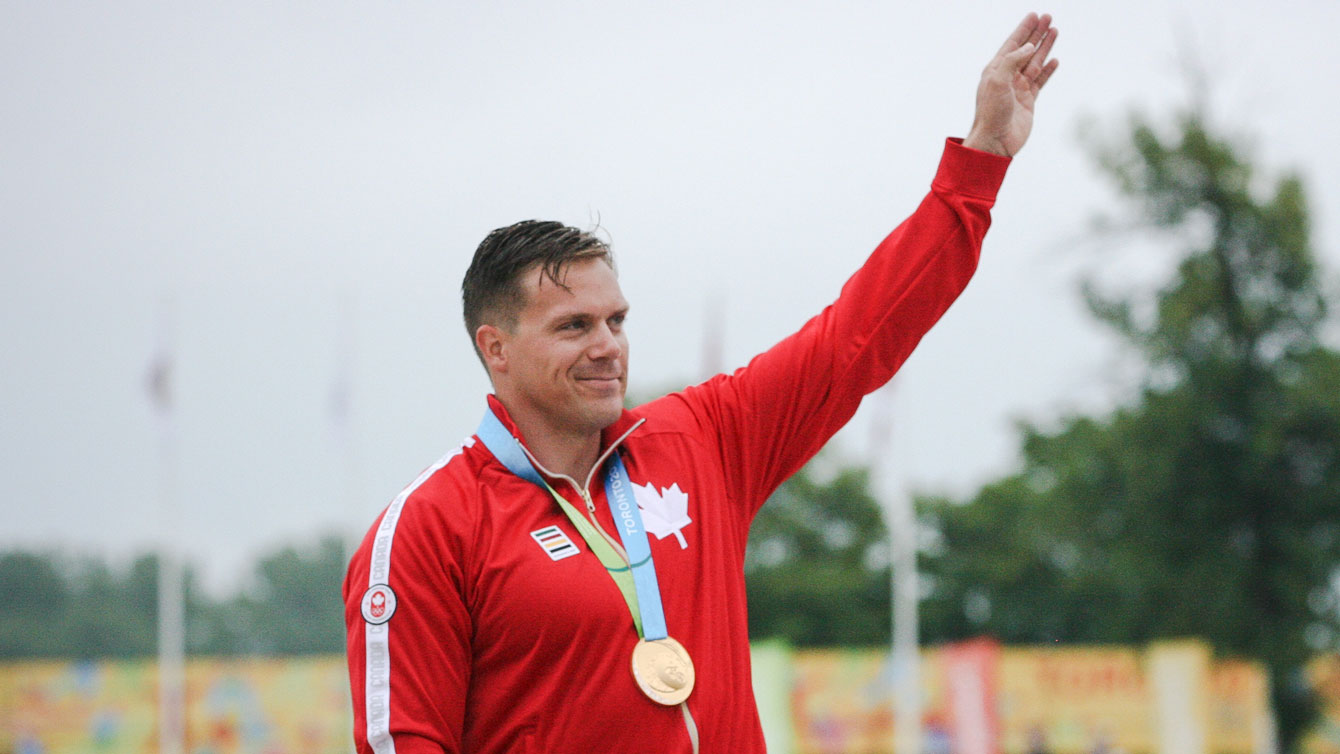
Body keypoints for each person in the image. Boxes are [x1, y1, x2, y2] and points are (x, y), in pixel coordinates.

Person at [344, 12, 1059, 754]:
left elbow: (856, 337)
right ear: (496, 348)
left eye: (616, 320)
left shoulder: (700, 442)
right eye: (574, 326)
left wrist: (979, 164)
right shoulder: (429, 530)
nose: (607, 347)